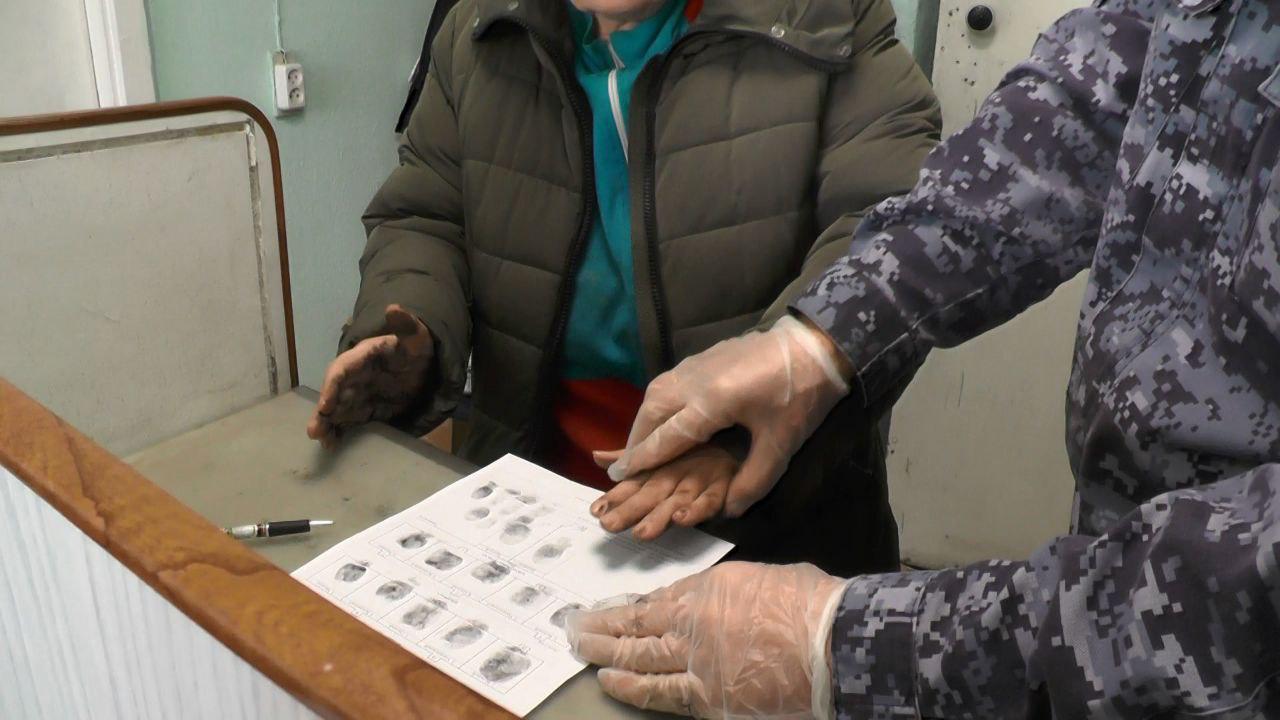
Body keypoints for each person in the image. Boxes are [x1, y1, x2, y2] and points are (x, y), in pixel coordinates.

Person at [570, 0, 1280, 716]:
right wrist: (819, 341)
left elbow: (1241, 607)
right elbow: (1085, 104)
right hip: (1111, 572)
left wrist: (858, 648)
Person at [306, 0, 941, 575]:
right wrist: (415, 327)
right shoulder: (479, 26)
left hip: (777, 520)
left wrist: (758, 404)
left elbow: (896, 222)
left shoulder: (826, 14)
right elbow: (427, 212)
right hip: (531, 504)